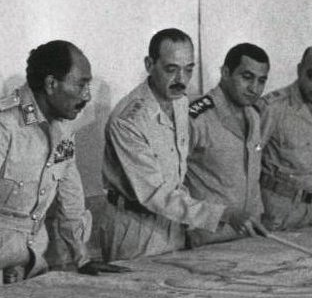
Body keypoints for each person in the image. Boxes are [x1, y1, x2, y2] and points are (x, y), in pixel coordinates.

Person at [0, 40, 125, 298]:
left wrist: (83, 257)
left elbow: (71, 196)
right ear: (52, 84)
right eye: (81, 84)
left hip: (27, 260)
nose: (87, 95)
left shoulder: (62, 128)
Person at [100, 28, 256, 261]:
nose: (181, 80)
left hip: (173, 225)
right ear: (149, 64)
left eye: (188, 69)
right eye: (171, 69)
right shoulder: (128, 120)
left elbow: (177, 179)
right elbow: (154, 193)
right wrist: (223, 214)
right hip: (136, 230)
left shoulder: (180, 103)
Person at [185, 42, 268, 246]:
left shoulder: (253, 115)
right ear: (225, 72)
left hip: (248, 237)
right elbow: (171, 184)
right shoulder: (197, 117)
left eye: (261, 80)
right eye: (246, 77)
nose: (254, 88)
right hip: (208, 239)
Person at [257, 44, 312, 230]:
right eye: (311, 75)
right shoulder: (274, 107)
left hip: (310, 213)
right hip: (274, 212)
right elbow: (249, 161)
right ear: (299, 70)